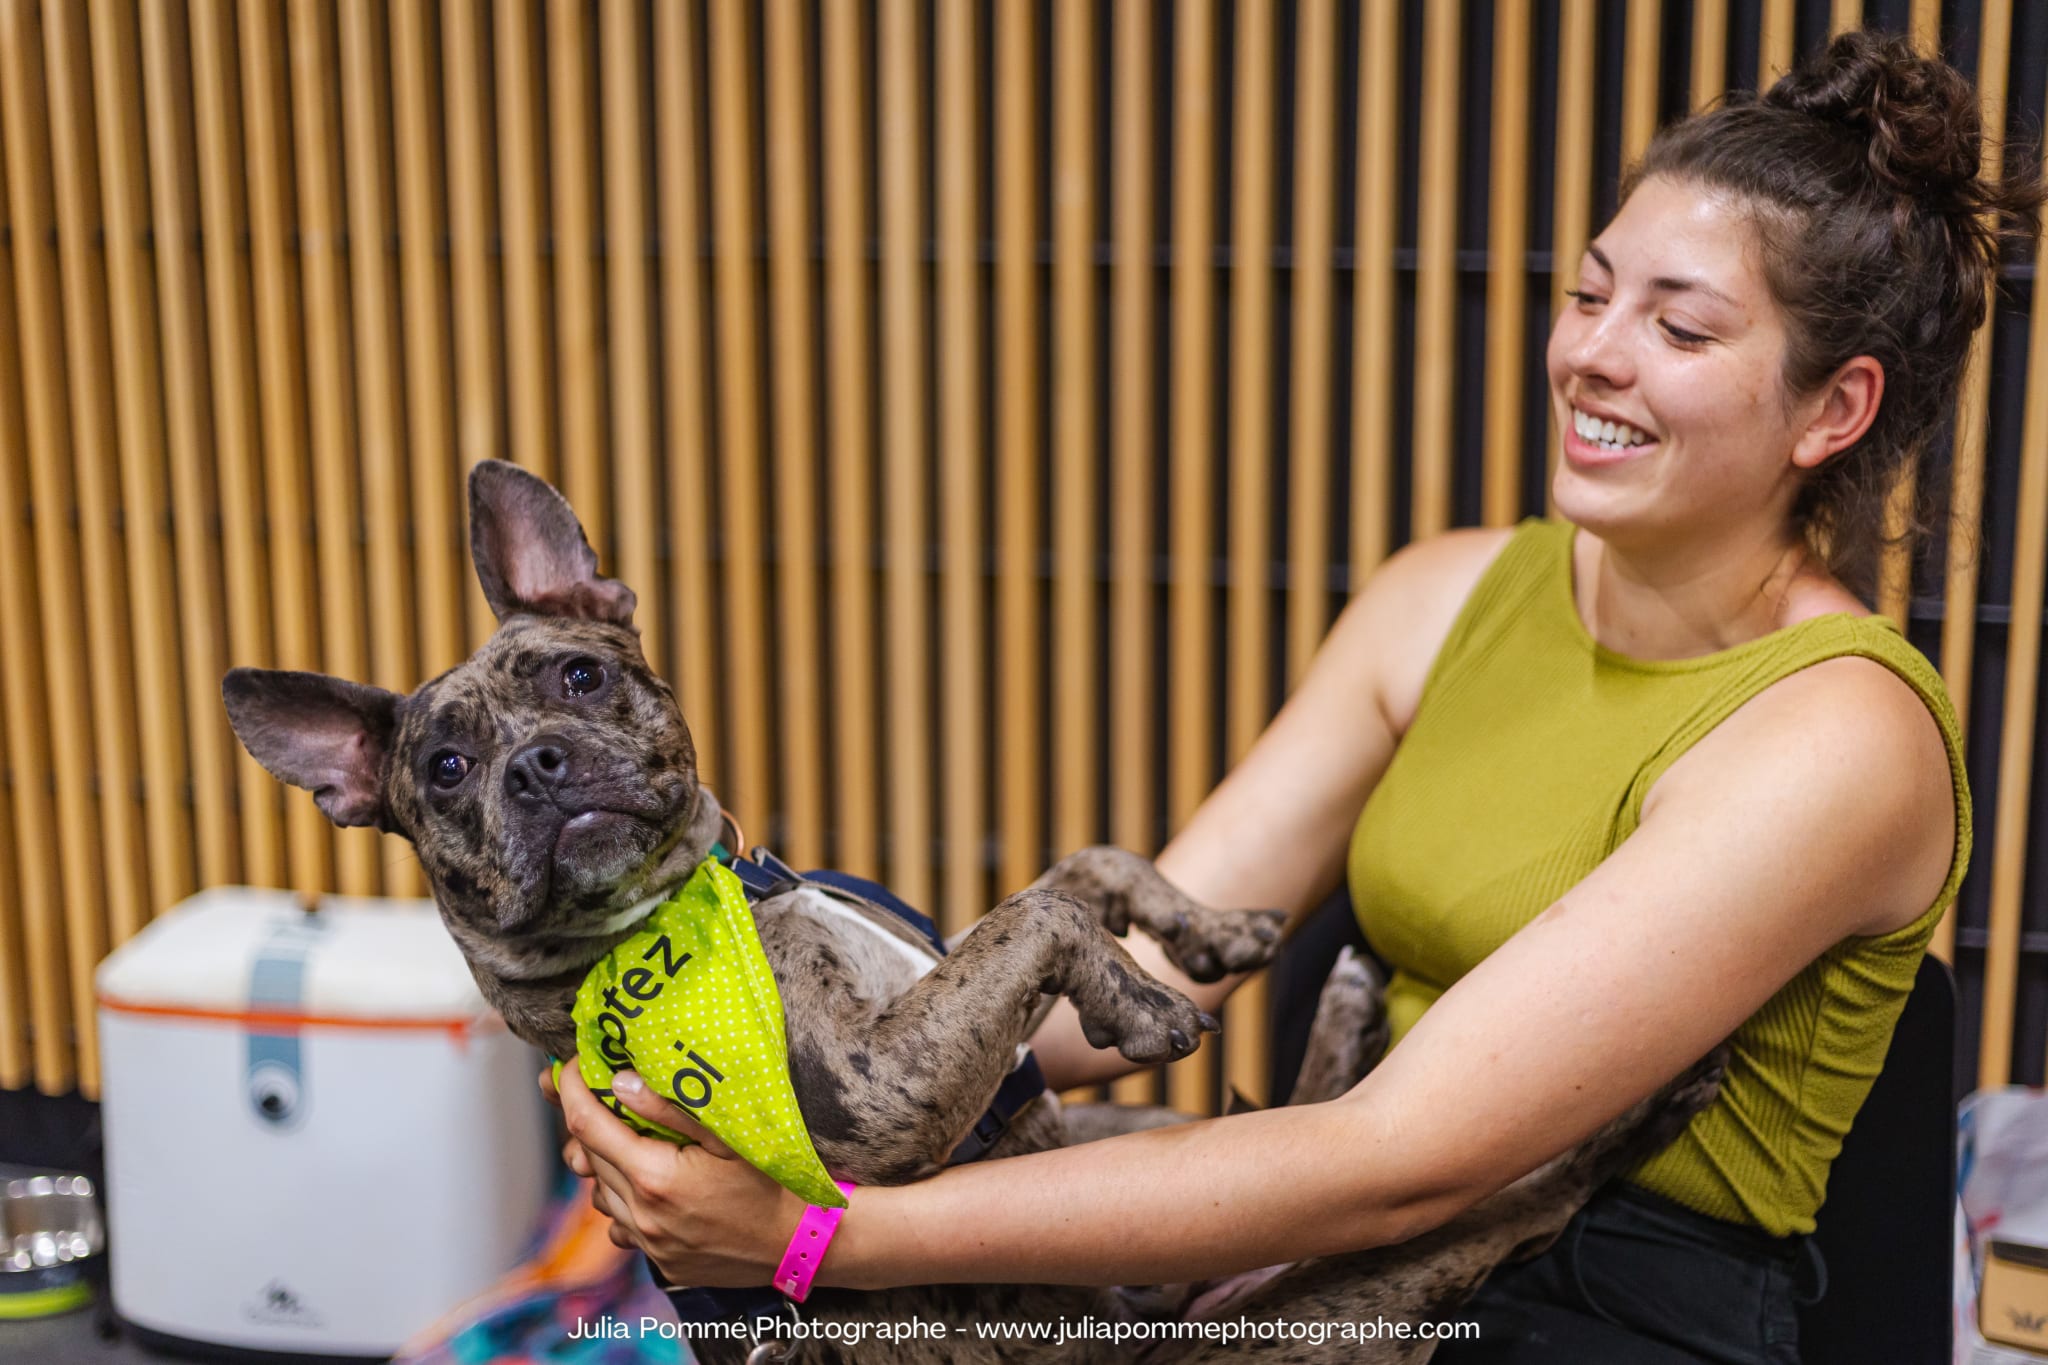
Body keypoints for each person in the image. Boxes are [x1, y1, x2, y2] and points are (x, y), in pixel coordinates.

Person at [540, 30, 2041, 1363]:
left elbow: (1409, 1155)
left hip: (1601, 1301)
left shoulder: (1840, 734)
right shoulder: (1444, 594)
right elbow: (1148, 972)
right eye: (1589, 292)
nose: (1592, 352)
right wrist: (767, 1067)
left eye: (1681, 327)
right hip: (1361, 1246)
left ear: (1832, 408)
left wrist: (823, 1239)